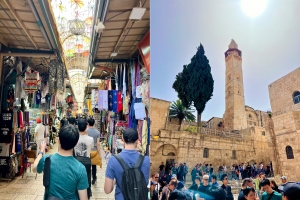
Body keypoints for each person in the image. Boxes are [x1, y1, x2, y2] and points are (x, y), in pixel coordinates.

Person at [32, 125, 89, 200]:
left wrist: (41, 151)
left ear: (59, 140)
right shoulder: (80, 168)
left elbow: (34, 168)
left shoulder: (47, 159)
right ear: (76, 143)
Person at [104, 128, 150, 199]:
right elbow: (144, 183)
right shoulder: (146, 160)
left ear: (122, 140)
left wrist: (116, 180)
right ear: (137, 141)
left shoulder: (113, 160)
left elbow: (107, 190)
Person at [87, 118, 101, 185]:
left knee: (88, 164)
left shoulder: (86, 131)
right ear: (94, 123)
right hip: (95, 150)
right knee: (94, 165)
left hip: (88, 150)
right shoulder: (97, 132)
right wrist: (99, 153)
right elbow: (98, 144)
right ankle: (94, 177)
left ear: (88, 123)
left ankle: (88, 178)